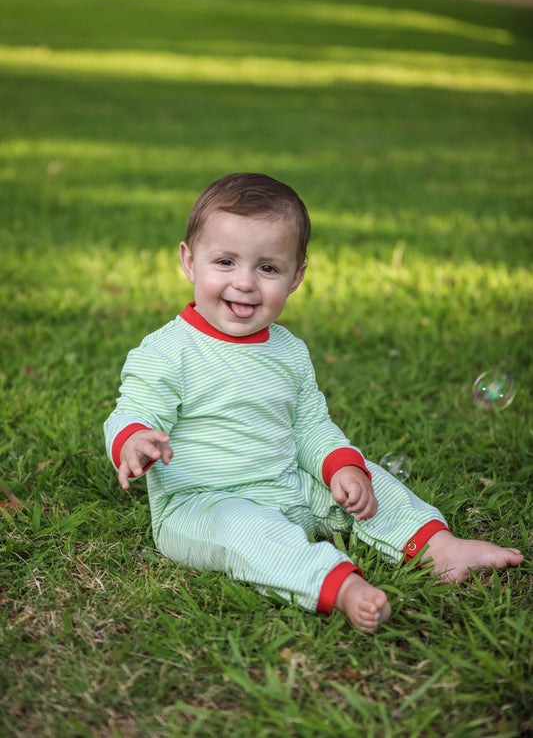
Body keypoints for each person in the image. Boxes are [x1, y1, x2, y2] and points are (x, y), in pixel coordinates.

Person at [104, 173, 524, 632]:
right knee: (247, 533)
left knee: (369, 477)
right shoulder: (169, 350)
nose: (244, 283)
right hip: (201, 503)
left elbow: (309, 426)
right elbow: (133, 410)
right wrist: (134, 440)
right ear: (189, 261)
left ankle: (438, 545)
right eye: (225, 262)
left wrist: (340, 466)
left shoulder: (288, 351)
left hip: (289, 484)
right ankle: (337, 586)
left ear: (296, 276)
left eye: (267, 268)